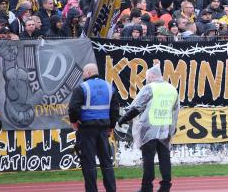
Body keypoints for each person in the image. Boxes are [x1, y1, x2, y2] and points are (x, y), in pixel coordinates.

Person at [117, 64, 180, 192]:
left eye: (148, 77)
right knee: (164, 158)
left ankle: (146, 187)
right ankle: (165, 186)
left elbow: (137, 107)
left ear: (151, 76)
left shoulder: (150, 88)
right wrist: (172, 129)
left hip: (149, 129)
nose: (147, 79)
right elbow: (175, 111)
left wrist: (123, 119)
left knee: (148, 159)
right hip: (165, 129)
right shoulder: (172, 89)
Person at [67, 63, 119, 192]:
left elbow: (73, 108)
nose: (83, 74)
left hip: (86, 129)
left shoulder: (82, 87)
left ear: (89, 73)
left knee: (89, 163)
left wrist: (74, 121)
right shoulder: (109, 87)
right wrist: (112, 125)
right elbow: (115, 109)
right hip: (103, 129)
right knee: (106, 162)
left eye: (84, 72)